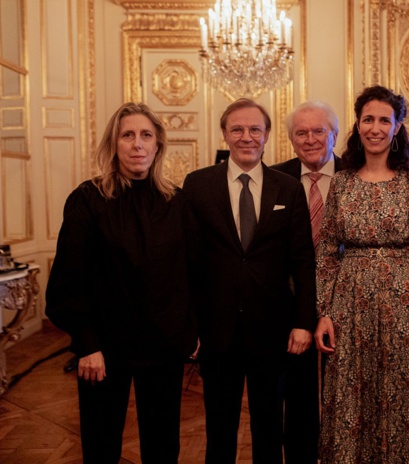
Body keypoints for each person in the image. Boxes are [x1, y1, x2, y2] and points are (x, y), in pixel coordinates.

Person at [45, 102, 198, 463]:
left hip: (163, 346)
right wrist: (86, 344)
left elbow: (192, 274)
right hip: (103, 348)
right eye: (127, 135)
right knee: (101, 446)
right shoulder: (87, 199)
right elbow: (68, 278)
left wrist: (191, 332)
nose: (137, 144)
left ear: (158, 144)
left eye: (146, 135)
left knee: (163, 447)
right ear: (113, 144)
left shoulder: (177, 202)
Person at [314, 85, 409, 463]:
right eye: (368, 119)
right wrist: (324, 311)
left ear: (397, 126)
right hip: (348, 306)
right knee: (352, 393)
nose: (375, 127)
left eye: (384, 120)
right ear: (357, 124)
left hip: (404, 306)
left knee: (403, 396)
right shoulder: (341, 182)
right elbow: (327, 251)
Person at [183, 98, 316, 464]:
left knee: (270, 427)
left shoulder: (287, 188)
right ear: (225, 134)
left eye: (254, 129)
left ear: (267, 135)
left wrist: (303, 323)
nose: (246, 137)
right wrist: (190, 326)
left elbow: (303, 262)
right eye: (237, 129)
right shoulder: (197, 186)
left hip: (272, 331)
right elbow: (189, 263)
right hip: (217, 330)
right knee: (219, 429)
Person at [272, 100, 342, 464]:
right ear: (291, 139)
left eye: (319, 131)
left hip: (348, 302)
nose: (311, 139)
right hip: (291, 303)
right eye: (302, 132)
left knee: (345, 392)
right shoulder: (275, 179)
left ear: (335, 135)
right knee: (297, 396)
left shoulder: (357, 175)